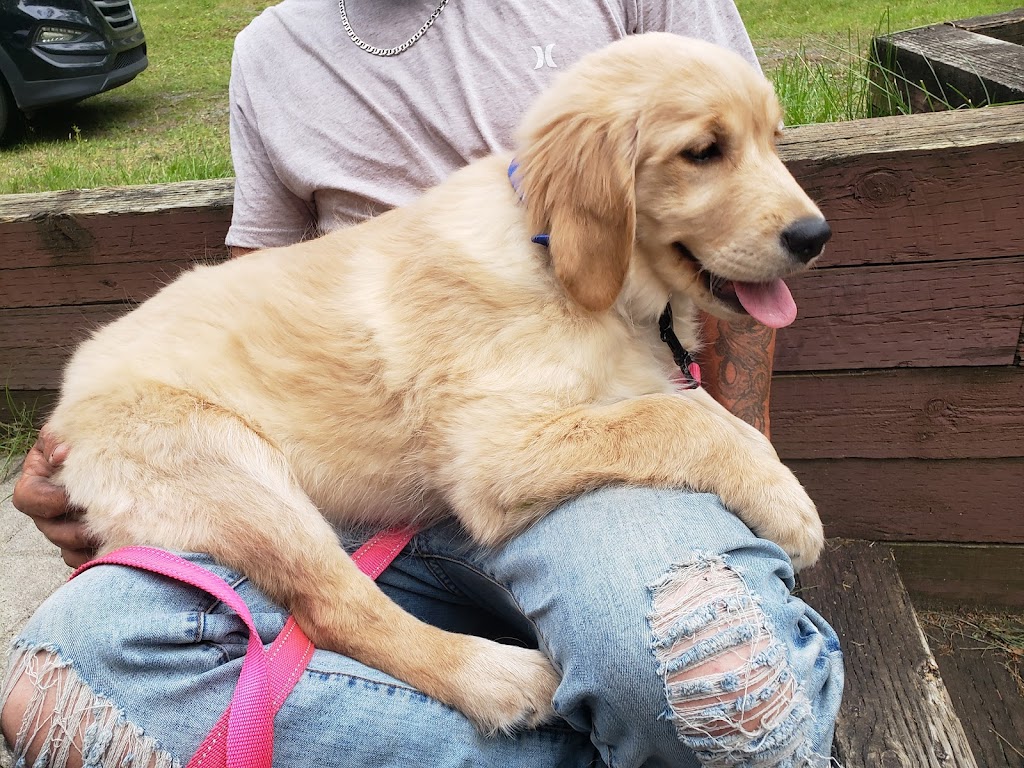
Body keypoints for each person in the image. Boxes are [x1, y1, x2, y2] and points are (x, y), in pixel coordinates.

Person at [2, 1, 844, 766]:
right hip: (327, 479)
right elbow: (264, 283)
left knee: (718, 684)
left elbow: (517, 466)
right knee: (56, 688)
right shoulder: (269, 51)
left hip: (579, 473)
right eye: (704, 153)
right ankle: (532, 733)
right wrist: (91, 450)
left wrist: (740, 466)